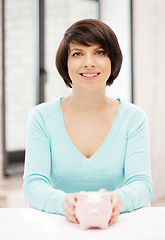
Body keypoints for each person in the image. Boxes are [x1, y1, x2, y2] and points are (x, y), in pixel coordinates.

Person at [23, 19, 153, 226]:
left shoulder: (133, 118)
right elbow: (33, 184)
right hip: (58, 227)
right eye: (77, 54)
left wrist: (120, 199)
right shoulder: (41, 117)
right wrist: (62, 203)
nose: (89, 62)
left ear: (113, 60)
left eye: (100, 52)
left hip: (118, 228)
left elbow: (142, 184)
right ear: (65, 63)